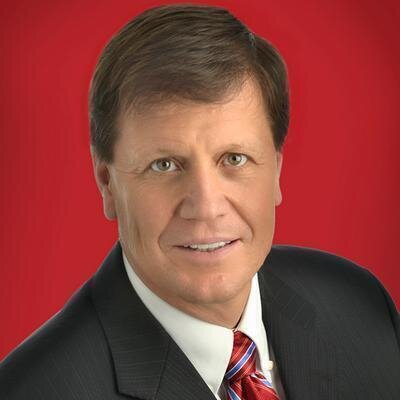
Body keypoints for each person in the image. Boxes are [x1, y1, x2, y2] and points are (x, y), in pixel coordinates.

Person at [0, 3, 399, 399]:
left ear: (276, 168)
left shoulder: (361, 306)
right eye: (164, 165)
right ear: (107, 183)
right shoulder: (33, 390)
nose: (206, 207)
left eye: (235, 159)